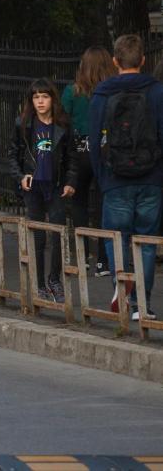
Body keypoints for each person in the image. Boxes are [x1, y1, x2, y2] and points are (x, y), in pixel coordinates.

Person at [89, 34, 163, 321]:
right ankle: (143, 304)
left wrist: (102, 175)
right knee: (145, 240)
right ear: (143, 60)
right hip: (151, 178)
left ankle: (123, 292)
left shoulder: (102, 93)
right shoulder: (157, 92)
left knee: (117, 237)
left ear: (115, 61)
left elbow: (94, 141)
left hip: (115, 178)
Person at [10, 78, 77, 302]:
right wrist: (21, 178)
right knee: (37, 236)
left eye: (45, 96)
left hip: (56, 186)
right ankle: (38, 283)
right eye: (36, 97)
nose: (40, 101)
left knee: (58, 235)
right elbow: (12, 156)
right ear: (31, 100)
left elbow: (71, 159)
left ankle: (54, 280)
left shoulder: (63, 125)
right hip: (33, 187)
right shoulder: (23, 125)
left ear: (52, 99)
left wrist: (70, 182)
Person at [62, 46, 117, 277]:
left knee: (79, 201)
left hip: (79, 148)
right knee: (105, 203)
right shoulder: (111, 92)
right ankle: (104, 261)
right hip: (104, 147)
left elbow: (63, 120)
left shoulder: (72, 92)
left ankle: (83, 255)